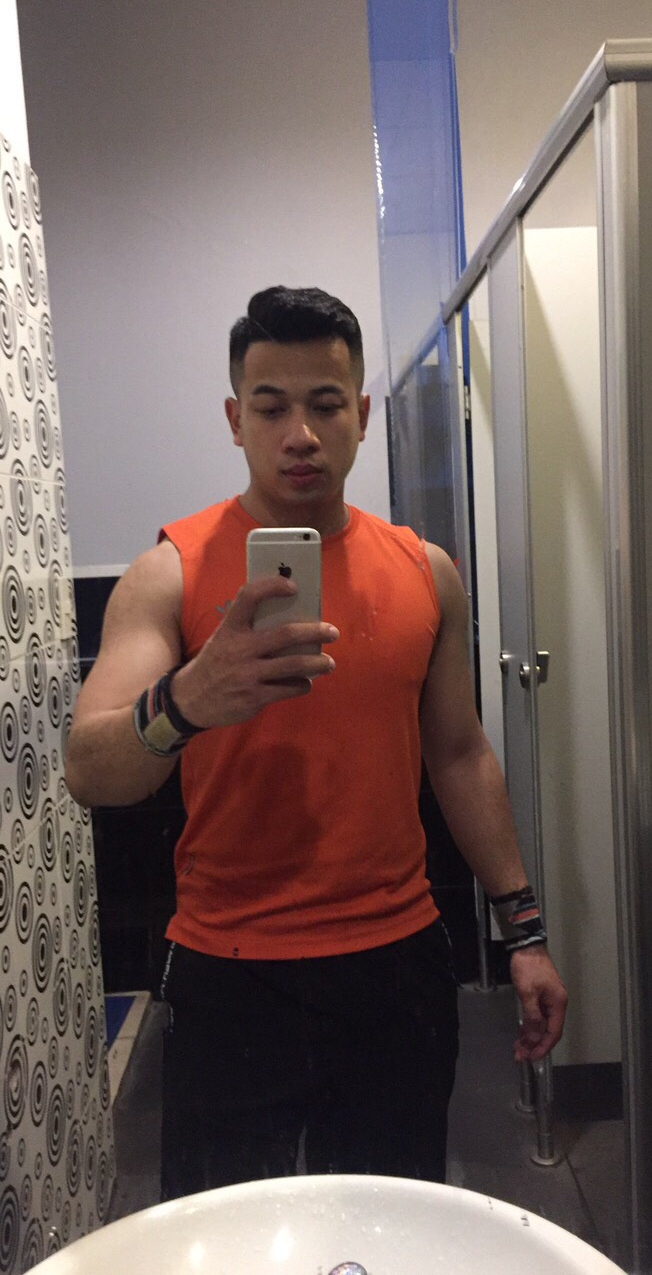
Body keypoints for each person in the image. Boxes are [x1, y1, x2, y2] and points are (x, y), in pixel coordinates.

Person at [65, 286, 567, 1199]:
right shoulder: (169, 572)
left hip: (395, 965)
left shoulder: (426, 573)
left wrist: (523, 932)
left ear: (362, 416)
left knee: (383, 1227)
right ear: (235, 421)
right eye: (271, 407)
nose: (300, 433)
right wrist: (186, 701)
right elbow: (90, 769)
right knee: (227, 1242)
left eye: (326, 404)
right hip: (227, 972)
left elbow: (459, 755)